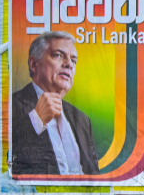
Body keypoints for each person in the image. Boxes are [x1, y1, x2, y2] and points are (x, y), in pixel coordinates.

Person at [11, 31, 99, 175]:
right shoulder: (9, 106)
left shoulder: (83, 121)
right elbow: (4, 162)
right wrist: (36, 121)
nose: (69, 64)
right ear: (34, 64)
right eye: (58, 55)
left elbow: (95, 177)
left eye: (74, 60)